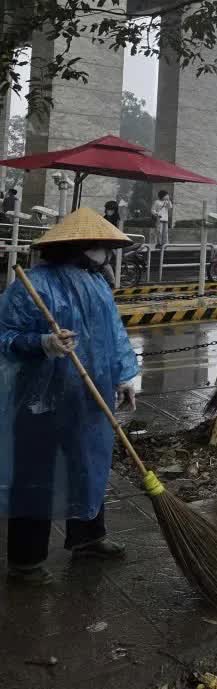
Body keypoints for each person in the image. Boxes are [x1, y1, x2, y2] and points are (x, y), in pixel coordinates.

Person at [0, 207, 138, 585]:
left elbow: (115, 335)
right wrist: (42, 343)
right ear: (80, 246)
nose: (105, 254)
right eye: (99, 246)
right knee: (35, 475)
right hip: (38, 402)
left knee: (88, 463)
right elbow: (5, 338)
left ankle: (88, 537)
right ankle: (26, 561)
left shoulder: (97, 286)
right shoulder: (32, 285)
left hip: (87, 397)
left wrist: (126, 375)